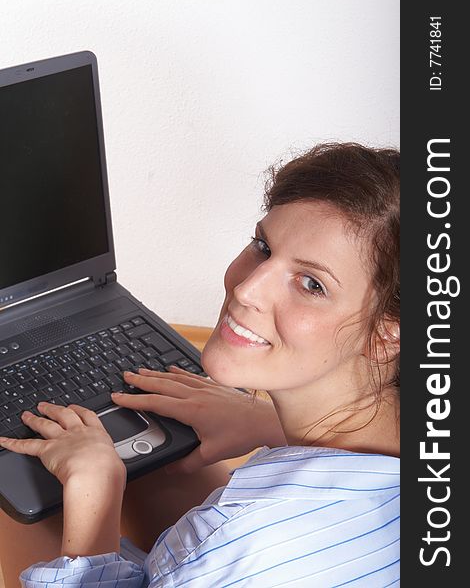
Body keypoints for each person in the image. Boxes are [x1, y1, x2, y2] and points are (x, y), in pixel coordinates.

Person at [0, 142, 400, 587]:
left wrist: (94, 497)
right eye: (263, 247)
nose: (247, 288)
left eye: (311, 284)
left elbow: (222, 556)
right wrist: (266, 422)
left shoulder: (231, 549)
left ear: (387, 334)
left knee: (22, 493)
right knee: (164, 461)